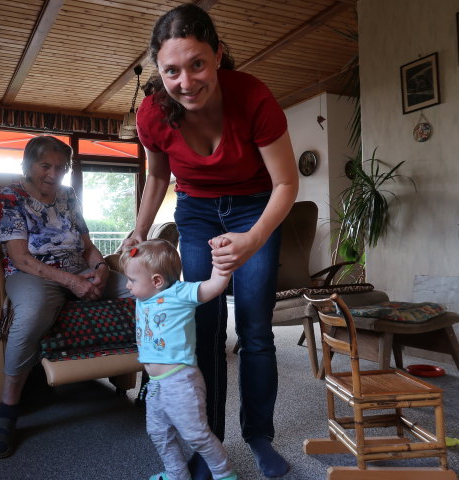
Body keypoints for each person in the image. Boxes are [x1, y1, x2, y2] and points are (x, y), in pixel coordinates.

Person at [124, 4, 299, 479]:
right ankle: (209, 440)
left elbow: (286, 183)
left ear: (218, 55)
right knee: (202, 324)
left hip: (255, 205)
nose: (186, 82)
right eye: (171, 70)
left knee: (256, 329)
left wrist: (254, 237)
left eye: (197, 64)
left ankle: (259, 435)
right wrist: (140, 228)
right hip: (197, 212)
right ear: (159, 71)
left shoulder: (254, 98)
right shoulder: (152, 113)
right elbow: (158, 178)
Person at [0, 135, 130, 459]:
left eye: (60, 167)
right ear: (28, 165)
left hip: (79, 268)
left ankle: (160, 378)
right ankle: (7, 409)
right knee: (32, 312)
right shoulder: (12, 195)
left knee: (142, 290)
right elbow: (20, 258)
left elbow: (88, 246)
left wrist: (101, 270)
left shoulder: (69, 195)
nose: (53, 173)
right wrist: (73, 282)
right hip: (33, 273)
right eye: (45, 165)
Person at [120, 238, 237, 480]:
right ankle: (177, 474)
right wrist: (133, 251)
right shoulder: (143, 298)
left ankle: (225, 474)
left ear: (157, 281)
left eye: (131, 281)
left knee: (196, 435)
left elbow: (214, 286)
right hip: (155, 385)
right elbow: (138, 261)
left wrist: (220, 265)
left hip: (181, 383)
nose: (127, 286)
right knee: (158, 432)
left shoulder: (179, 293)